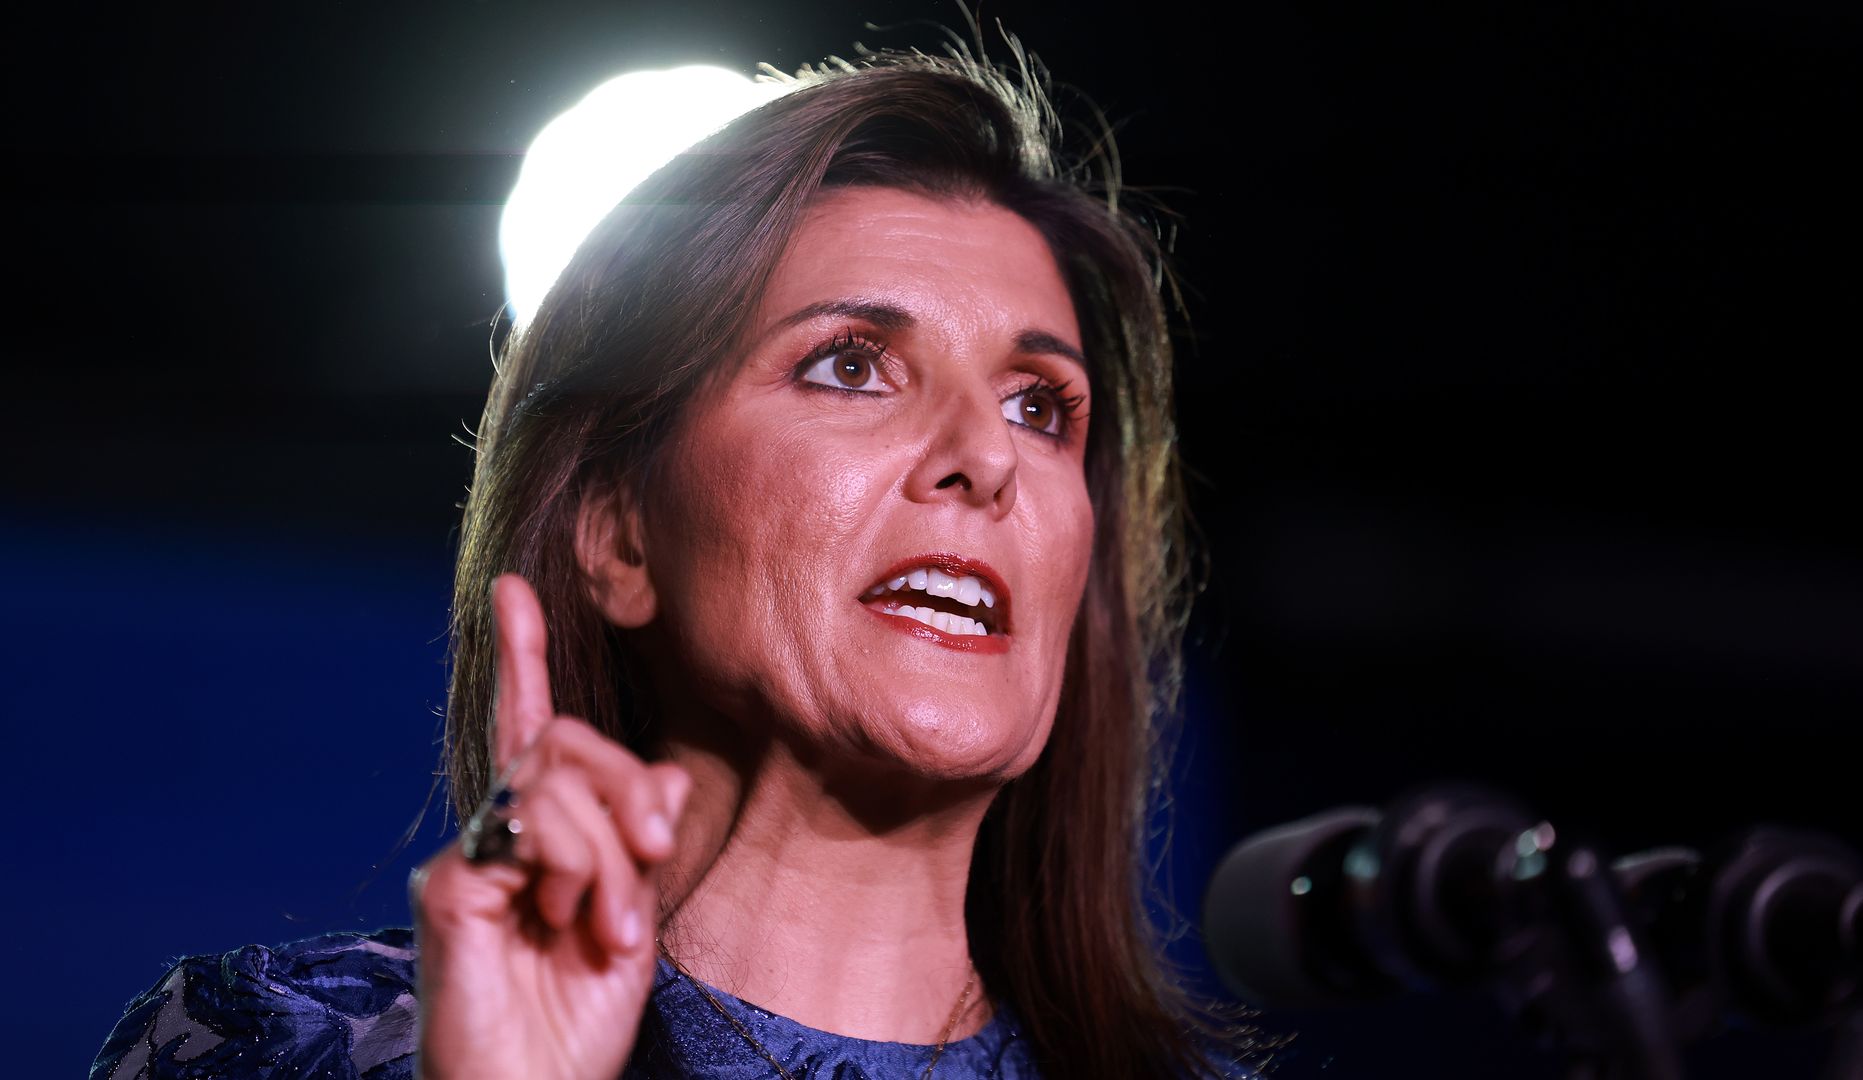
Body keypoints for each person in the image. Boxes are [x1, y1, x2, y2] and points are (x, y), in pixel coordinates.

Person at [92, 44, 1249, 1079]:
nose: (983, 458)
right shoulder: (283, 1049)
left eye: (1041, 406)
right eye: (851, 365)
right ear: (616, 532)